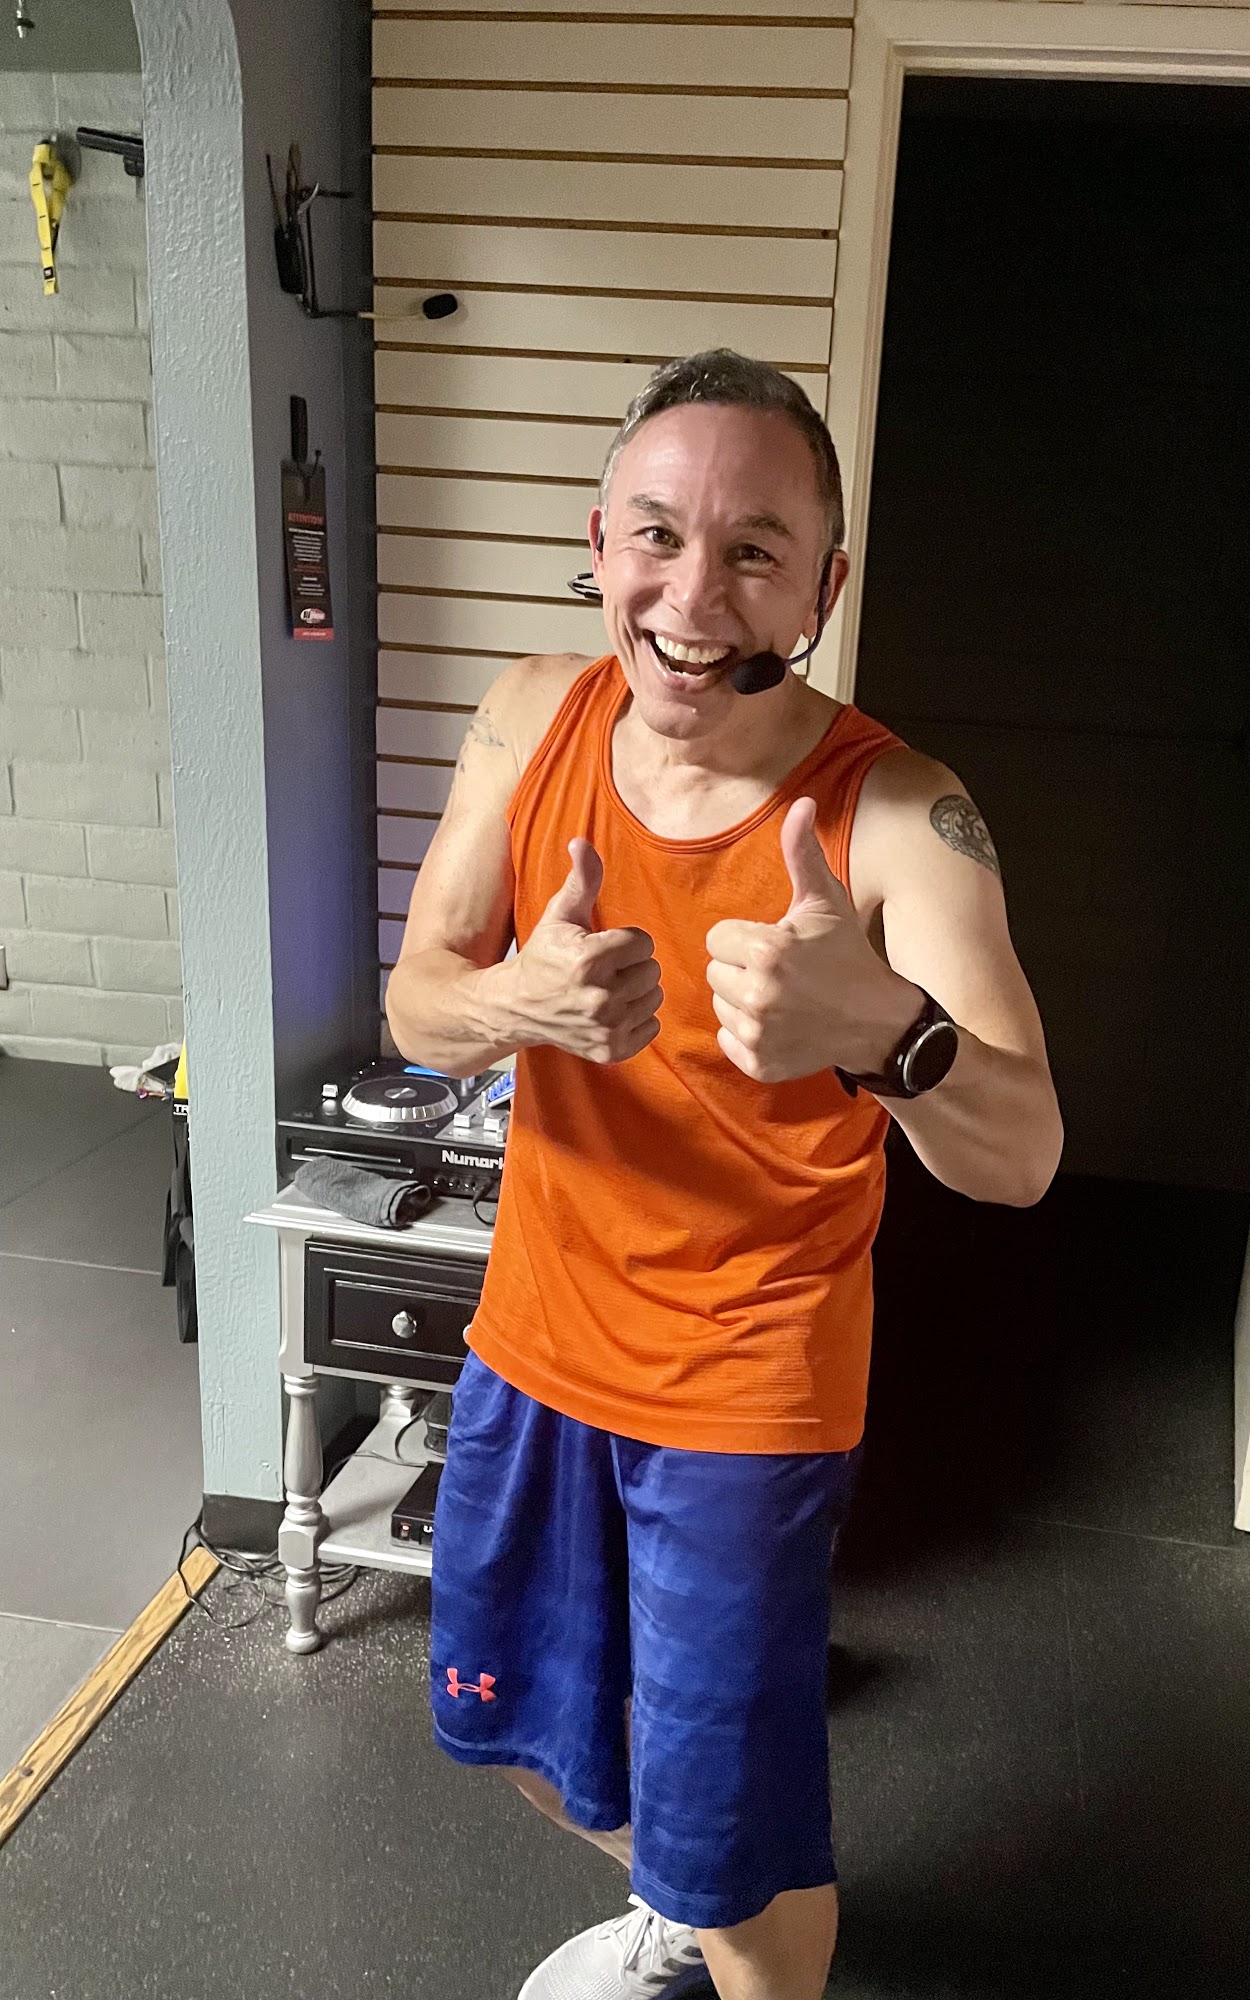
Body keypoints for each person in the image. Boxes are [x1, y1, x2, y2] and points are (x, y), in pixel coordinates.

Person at [385, 349, 1063, 2000]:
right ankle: (673, 1908)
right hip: (533, 1348)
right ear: (599, 545)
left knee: (746, 1860)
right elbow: (419, 1003)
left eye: (756, 551)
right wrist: (521, 1004)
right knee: (527, 1744)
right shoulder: (528, 716)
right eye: (658, 535)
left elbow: (1025, 1156)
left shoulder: (899, 816)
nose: (695, 598)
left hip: (745, 1397)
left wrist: (886, 1032)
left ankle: (718, 1917)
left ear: (824, 584)